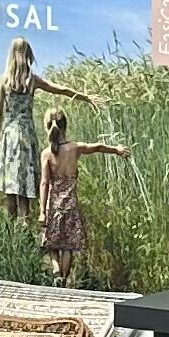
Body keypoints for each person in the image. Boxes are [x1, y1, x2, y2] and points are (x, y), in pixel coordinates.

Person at [0, 37, 102, 215]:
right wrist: (86, 98)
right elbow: (61, 89)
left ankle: (9, 234)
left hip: (9, 136)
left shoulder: (3, 80)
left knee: (10, 189)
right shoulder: (32, 80)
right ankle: (25, 226)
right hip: (27, 135)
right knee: (25, 188)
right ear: (28, 54)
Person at [37, 109, 129, 282]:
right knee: (68, 246)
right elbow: (97, 147)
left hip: (53, 205)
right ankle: (64, 278)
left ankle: (56, 272)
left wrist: (42, 211)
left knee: (51, 243)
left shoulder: (46, 154)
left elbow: (44, 183)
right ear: (66, 126)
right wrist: (116, 150)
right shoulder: (75, 148)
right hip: (71, 205)